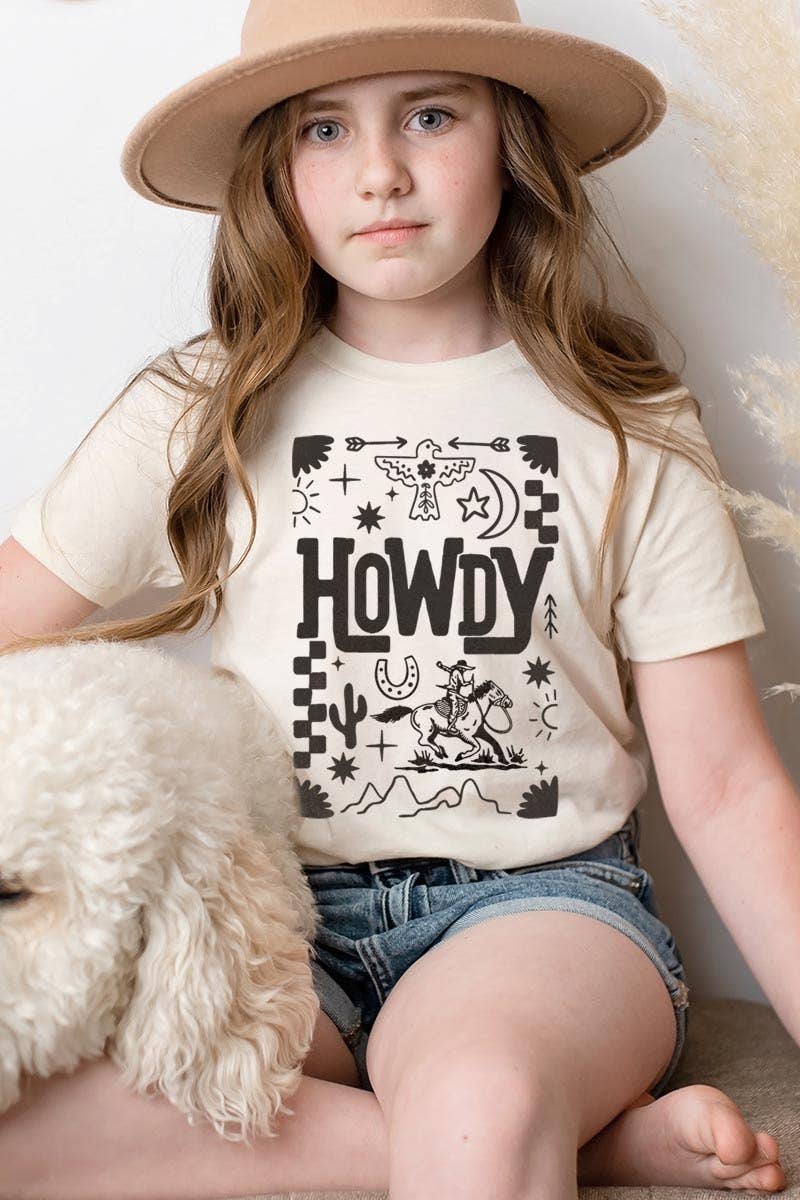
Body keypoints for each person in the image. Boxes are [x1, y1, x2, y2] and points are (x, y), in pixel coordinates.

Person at [0, 0, 791, 1196]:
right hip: (278, 915)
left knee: (477, 1097)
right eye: (323, 130)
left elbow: (725, 786)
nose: (379, 172)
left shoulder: (626, 423)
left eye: (429, 116)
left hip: (540, 910)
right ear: (274, 174)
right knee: (39, 1107)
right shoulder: (201, 407)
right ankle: (579, 1147)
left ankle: (501, 1123)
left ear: (511, 141)